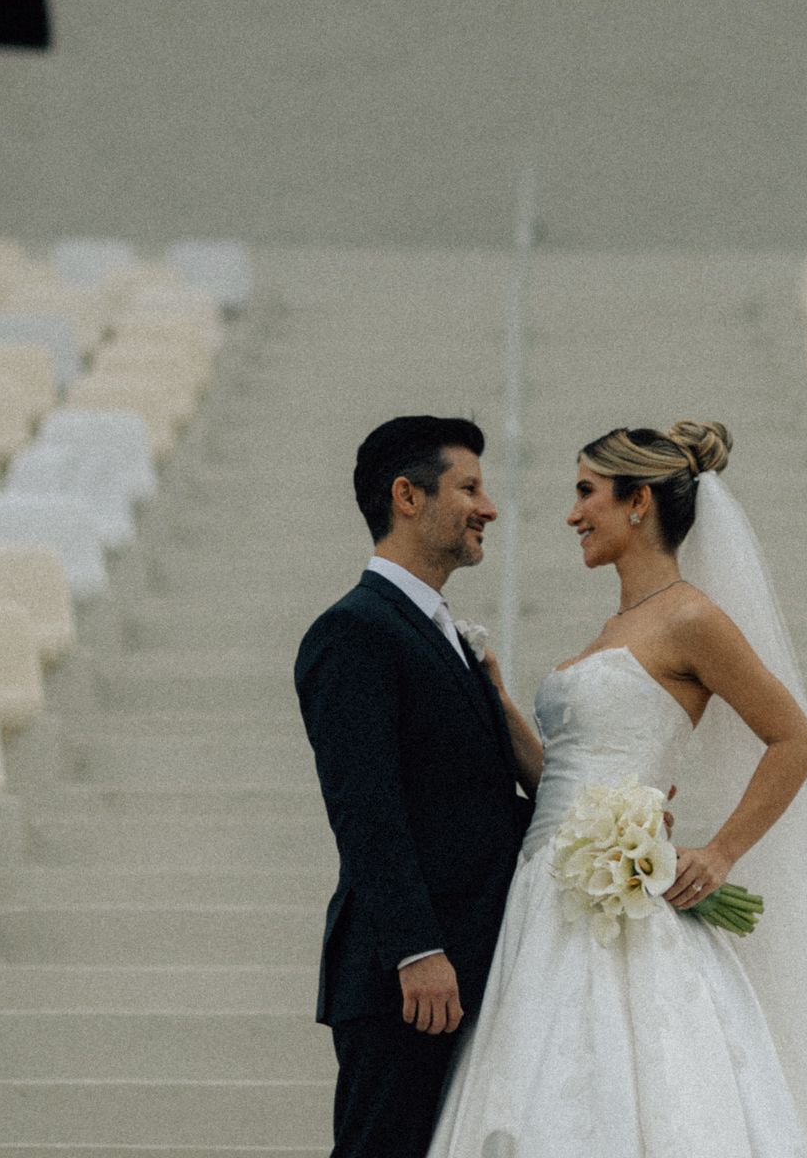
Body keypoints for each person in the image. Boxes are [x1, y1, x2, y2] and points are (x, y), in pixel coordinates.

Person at [427, 420, 807, 1158]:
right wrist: (499, 700)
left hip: (622, 910)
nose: (572, 514)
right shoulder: (615, 626)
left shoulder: (691, 617)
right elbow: (560, 785)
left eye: (585, 494)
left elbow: (793, 739)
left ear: (638, 502)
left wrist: (722, 852)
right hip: (543, 897)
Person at [294, 415, 540, 1158]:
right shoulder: (355, 631)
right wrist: (415, 952)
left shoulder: (435, 632)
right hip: (409, 982)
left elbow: (481, 803)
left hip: (466, 964)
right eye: (468, 487)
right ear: (407, 496)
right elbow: (366, 806)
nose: (487, 507)